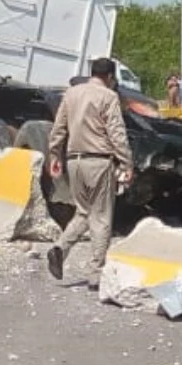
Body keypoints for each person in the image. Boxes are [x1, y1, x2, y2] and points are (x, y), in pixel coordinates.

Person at [45, 57, 133, 291]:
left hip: (74, 161)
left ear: (91, 73)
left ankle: (59, 249)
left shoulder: (71, 93)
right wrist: (127, 163)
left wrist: (54, 155)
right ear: (111, 78)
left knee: (84, 212)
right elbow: (116, 133)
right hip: (99, 161)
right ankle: (96, 273)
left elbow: (58, 128)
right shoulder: (109, 97)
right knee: (102, 217)